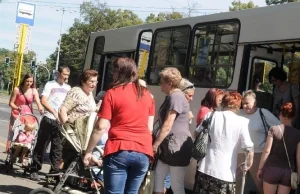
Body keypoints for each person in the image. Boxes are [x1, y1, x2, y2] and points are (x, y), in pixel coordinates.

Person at [83, 57, 155, 194]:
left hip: (119, 150)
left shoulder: (112, 94)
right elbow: (149, 128)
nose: (112, 74)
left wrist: (88, 151)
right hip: (143, 152)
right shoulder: (148, 95)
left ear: (118, 72)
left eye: (114, 70)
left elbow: (100, 127)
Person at [193, 91, 254, 194]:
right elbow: (248, 147)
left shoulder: (211, 115)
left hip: (205, 168)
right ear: (238, 105)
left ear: (223, 103)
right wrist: (248, 163)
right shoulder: (242, 122)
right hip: (226, 174)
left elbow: (196, 133)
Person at [153, 68, 193, 194]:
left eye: (162, 81)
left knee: (176, 185)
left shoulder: (176, 97)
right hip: (169, 145)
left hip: (176, 146)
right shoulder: (172, 96)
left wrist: (155, 145)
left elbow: (167, 125)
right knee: (158, 176)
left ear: (169, 83)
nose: (160, 84)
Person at [29, 66, 71, 181]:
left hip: (60, 122)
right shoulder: (50, 84)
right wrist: (54, 112)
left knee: (57, 148)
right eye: (64, 75)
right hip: (49, 119)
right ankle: (34, 169)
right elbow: (43, 101)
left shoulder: (68, 88)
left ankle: (54, 173)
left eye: (68, 75)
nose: (66, 77)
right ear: (58, 73)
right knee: (42, 145)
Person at [236, 90, 281, 194]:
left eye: (247, 103)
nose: (245, 106)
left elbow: (278, 127)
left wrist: (270, 141)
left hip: (258, 154)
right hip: (240, 153)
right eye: (243, 103)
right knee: (237, 183)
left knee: (260, 184)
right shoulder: (239, 113)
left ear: (255, 103)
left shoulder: (263, 112)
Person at [58, 69, 98, 169]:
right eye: (91, 81)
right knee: (69, 160)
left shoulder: (89, 93)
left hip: (84, 134)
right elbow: (62, 110)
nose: (94, 84)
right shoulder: (76, 92)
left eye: (95, 81)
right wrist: (67, 128)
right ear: (83, 81)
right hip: (74, 134)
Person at [257, 102, 300, 194]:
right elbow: (298, 156)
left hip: (272, 169)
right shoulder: (298, 134)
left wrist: (260, 168)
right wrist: (299, 174)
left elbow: (267, 151)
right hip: (288, 171)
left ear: (280, 114)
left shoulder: (274, 129)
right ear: (293, 116)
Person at [7, 73, 43, 153]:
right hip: (17, 113)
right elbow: (11, 103)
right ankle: (13, 150)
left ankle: (24, 152)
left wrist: (40, 108)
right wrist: (17, 108)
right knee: (16, 132)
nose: (29, 83)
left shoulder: (34, 90)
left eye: (31, 82)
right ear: (24, 80)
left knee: (28, 132)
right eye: (27, 81)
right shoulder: (17, 89)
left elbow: (38, 102)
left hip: (28, 114)